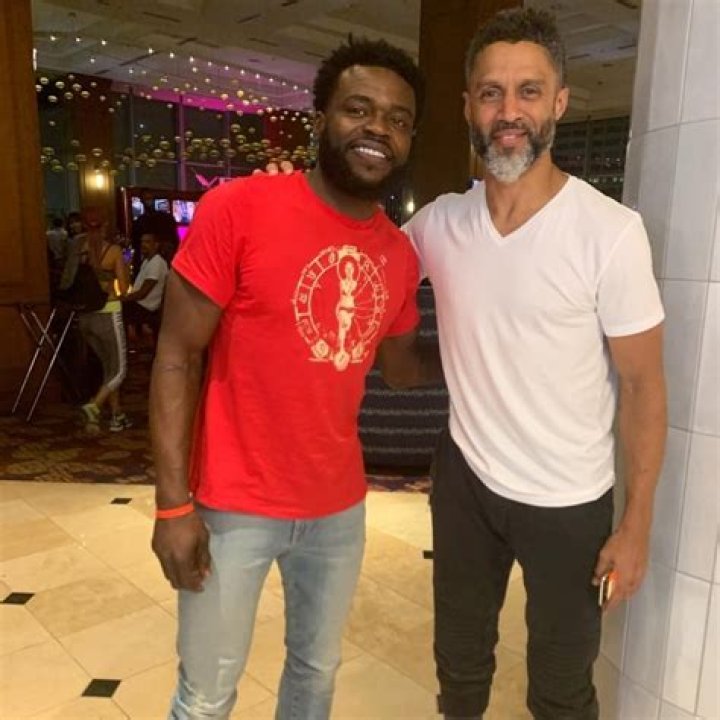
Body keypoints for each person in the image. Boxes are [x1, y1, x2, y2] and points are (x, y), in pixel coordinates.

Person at [385, 8, 666, 720]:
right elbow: (363, 264)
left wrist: (635, 526)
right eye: (491, 92)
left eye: (529, 91)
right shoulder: (441, 222)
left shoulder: (610, 233)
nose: (509, 111)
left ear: (559, 102)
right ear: (468, 106)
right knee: (460, 670)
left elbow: (643, 386)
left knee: (562, 691)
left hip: (570, 500)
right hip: (466, 483)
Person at [149, 37, 431, 720]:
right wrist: (172, 507)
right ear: (320, 120)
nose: (377, 129)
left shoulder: (398, 254)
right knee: (206, 695)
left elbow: (401, 372)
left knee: (315, 674)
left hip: (337, 507)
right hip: (233, 503)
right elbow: (176, 357)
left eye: (397, 119)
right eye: (358, 109)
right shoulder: (238, 208)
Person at [76, 207, 133, 434]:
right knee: (120, 370)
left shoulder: (78, 248)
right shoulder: (114, 250)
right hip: (108, 313)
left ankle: (117, 415)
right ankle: (94, 406)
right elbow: (124, 288)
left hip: (84, 317)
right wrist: (125, 265)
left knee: (108, 367)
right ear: (106, 226)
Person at [121, 231, 168, 348]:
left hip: (146, 307)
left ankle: (123, 346)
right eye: (142, 242)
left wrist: (123, 298)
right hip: (140, 304)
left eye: (147, 242)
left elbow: (143, 293)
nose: (143, 244)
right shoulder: (147, 261)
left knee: (117, 310)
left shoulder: (157, 262)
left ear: (156, 245)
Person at [131, 191, 180, 272]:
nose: (148, 201)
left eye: (150, 198)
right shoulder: (140, 221)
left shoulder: (164, 218)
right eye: (146, 199)